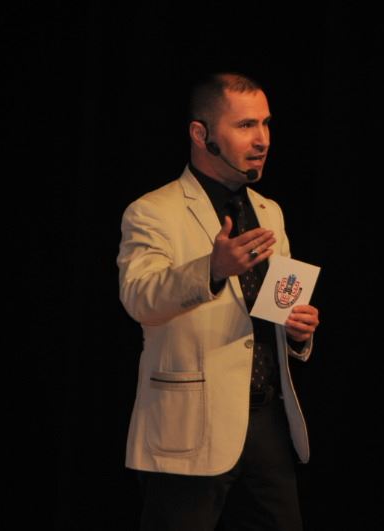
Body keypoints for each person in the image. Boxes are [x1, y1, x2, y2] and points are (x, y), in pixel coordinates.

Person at [117, 72, 320, 530]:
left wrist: (296, 332)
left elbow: (275, 309)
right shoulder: (154, 211)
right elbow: (139, 298)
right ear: (201, 134)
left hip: (266, 423)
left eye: (266, 124)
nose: (262, 139)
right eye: (245, 125)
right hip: (190, 425)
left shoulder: (269, 211)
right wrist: (211, 269)